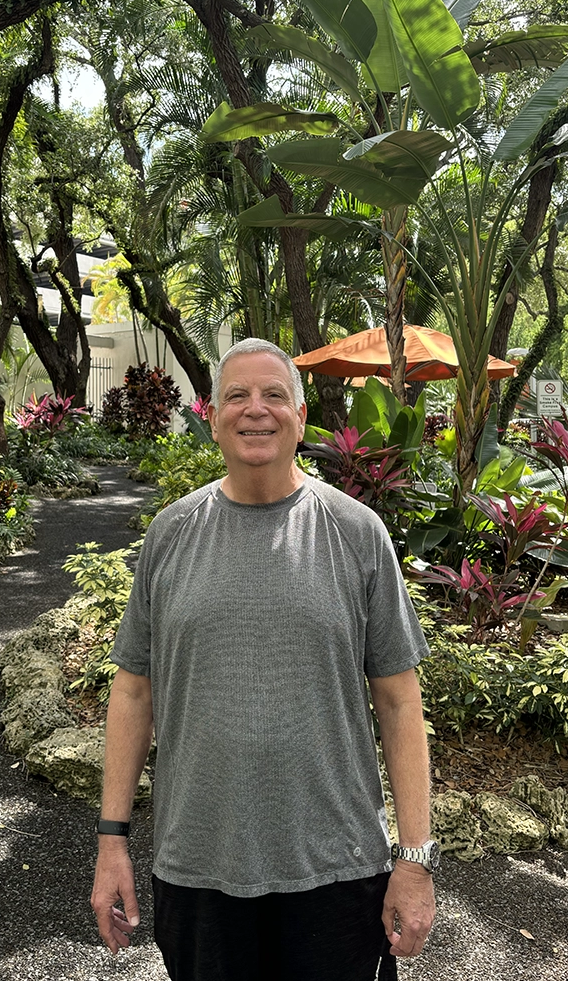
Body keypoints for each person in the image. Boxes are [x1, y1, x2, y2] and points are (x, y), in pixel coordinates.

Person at [90, 338, 438, 980]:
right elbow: (133, 692)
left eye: (275, 394)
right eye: (238, 396)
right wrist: (112, 841)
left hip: (336, 870)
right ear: (213, 416)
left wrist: (414, 860)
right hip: (197, 868)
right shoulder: (171, 534)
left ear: (301, 418)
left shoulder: (357, 533)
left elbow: (398, 699)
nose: (257, 410)